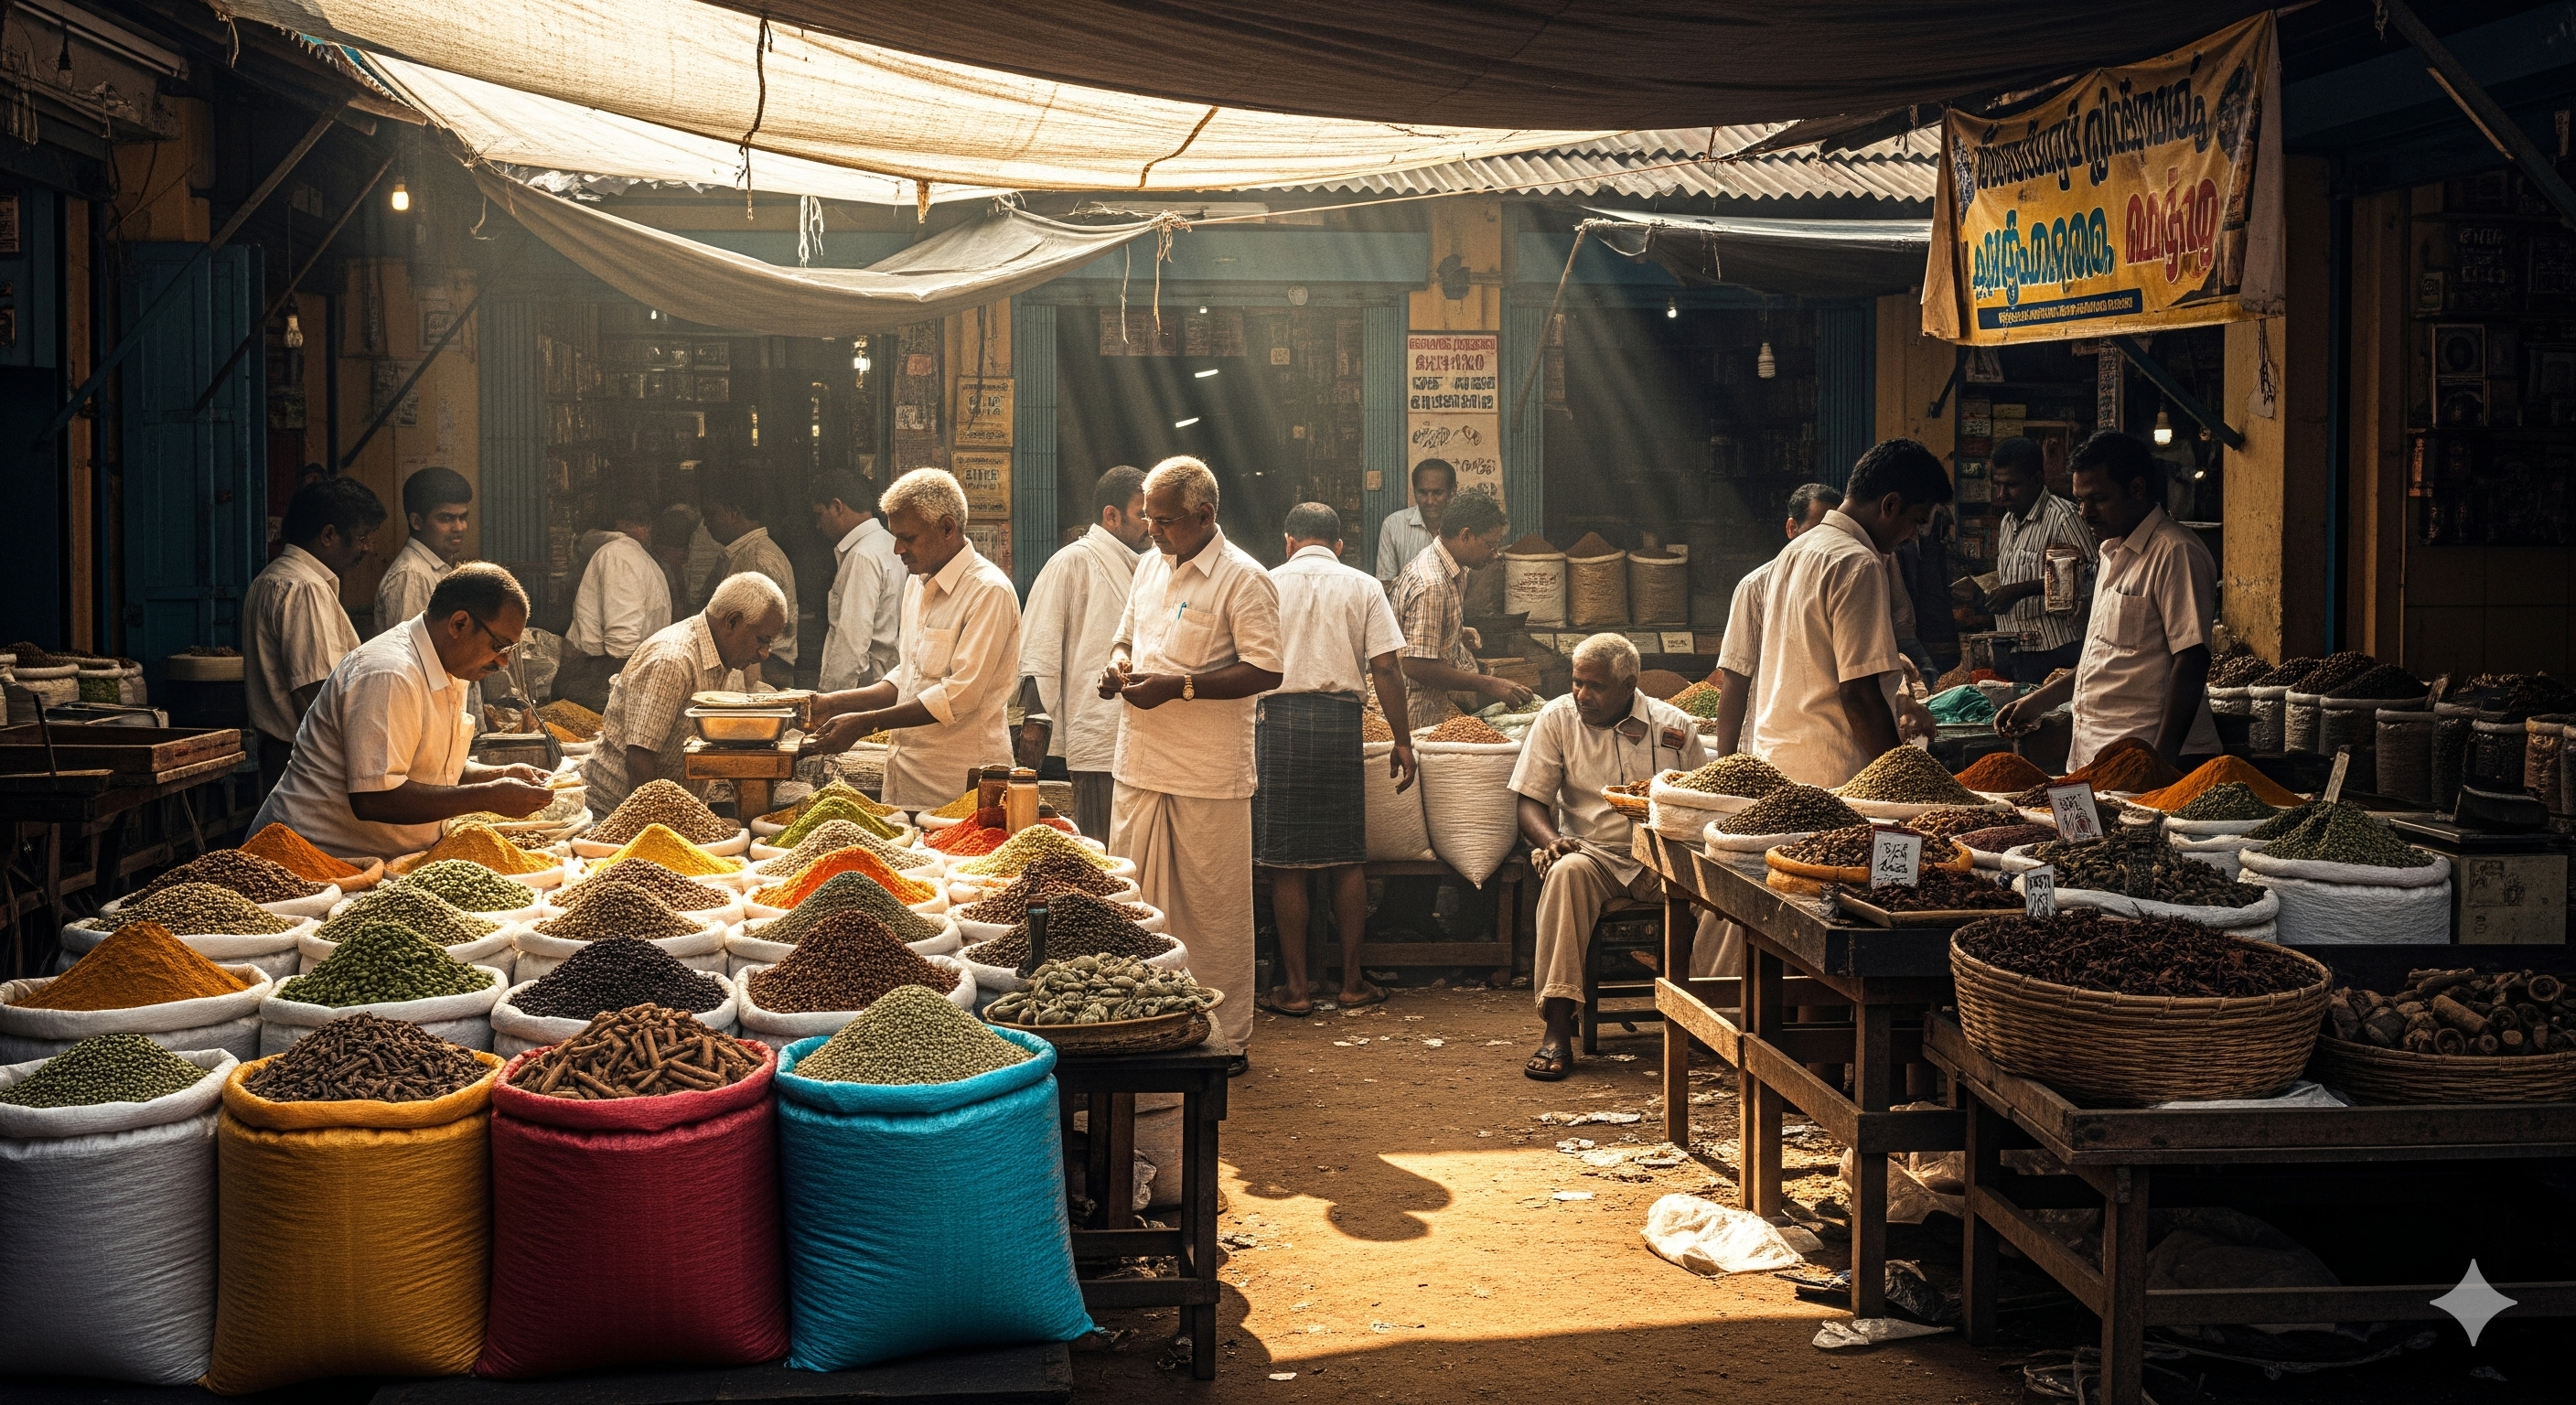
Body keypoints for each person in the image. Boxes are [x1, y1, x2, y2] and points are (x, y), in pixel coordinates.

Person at [1098, 456, 1283, 1074]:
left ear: (1205, 516)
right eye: (1148, 518)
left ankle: (1223, 1038)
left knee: (1212, 913)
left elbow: (1266, 670)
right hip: (1141, 761)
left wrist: (1179, 687)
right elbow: (1126, 637)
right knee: (1138, 905)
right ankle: (1144, 1025)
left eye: (1166, 521)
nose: (1152, 531)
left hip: (1208, 772)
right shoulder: (1150, 566)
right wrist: (1118, 667)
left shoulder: (1243, 578)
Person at [1513, 633, 1732, 1080]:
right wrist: (1549, 839)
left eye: (1595, 686)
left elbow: (1702, 797)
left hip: (1666, 854)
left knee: (1731, 895)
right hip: (1595, 854)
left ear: (1630, 683)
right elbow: (1530, 802)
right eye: (1577, 682)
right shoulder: (1557, 719)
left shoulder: (1673, 724)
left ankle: (1715, 1017)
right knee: (1565, 873)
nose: (1582, 694)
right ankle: (1557, 1028)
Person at [250, 563, 553, 858]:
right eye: (499, 646)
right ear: (459, 623)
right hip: (309, 858)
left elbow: (433, 770)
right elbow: (374, 798)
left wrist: (498, 775)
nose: (503, 663)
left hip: (379, 862)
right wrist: (488, 797)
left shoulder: (451, 668)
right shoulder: (389, 673)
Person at [1257, 502, 1415, 1017]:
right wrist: (1402, 739)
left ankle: (1297, 989)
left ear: (1288, 541)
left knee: (1286, 863)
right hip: (1340, 722)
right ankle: (1351, 983)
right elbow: (1387, 669)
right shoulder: (1364, 585)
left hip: (1277, 724)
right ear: (1339, 545)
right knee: (1346, 855)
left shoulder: (1265, 581)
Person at [1994, 431, 2219, 769]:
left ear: (2137, 489)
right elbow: (2101, 661)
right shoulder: (2110, 553)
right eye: (2079, 499)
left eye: (2098, 498)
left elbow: (2191, 661)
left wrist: (2160, 761)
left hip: (2144, 755)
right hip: (2095, 754)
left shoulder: (2175, 553)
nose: (2085, 512)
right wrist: (2035, 702)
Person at [801, 469, 1022, 810]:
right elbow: (910, 675)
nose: (897, 548)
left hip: (959, 787)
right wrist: (838, 702)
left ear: (947, 528)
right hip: (906, 781)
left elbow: (958, 696)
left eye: (908, 537)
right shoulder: (916, 584)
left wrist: (866, 722)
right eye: (895, 536)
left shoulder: (988, 591)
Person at [1748, 439, 1953, 788]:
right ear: (1890, 505)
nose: (1912, 537)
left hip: (1778, 765)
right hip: (1834, 773)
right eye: (1916, 522)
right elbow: (1859, 695)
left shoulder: (1794, 551)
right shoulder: (1858, 562)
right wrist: (1898, 782)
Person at [578, 574, 789, 812]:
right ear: (732, 622)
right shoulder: (672, 660)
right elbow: (640, 760)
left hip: (668, 806)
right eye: (762, 640)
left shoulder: (720, 656)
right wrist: (659, 830)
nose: (765, 653)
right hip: (615, 811)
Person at [1016, 465, 1148, 839]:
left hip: (1145, 736)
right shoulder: (1071, 561)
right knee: (1098, 845)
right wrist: (1035, 727)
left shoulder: (1155, 567)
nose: (1151, 526)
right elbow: (1038, 652)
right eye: (1142, 514)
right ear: (1111, 515)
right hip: (1095, 732)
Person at [244, 477, 383, 792]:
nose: (369, 548)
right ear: (329, 535)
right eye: (362, 537)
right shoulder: (303, 587)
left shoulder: (271, 578)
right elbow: (316, 693)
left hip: (285, 754)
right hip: (305, 761)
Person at [1707, 482, 1841, 756]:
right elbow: (1736, 677)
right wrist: (1725, 763)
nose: (1825, 541)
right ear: (1792, 529)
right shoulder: (1756, 586)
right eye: (1816, 530)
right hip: (1769, 749)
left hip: (1827, 746)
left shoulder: (1841, 582)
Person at [1392, 484, 1534, 726]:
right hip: (1417, 713)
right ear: (1465, 535)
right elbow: (1415, 664)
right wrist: (1490, 684)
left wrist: (1455, 633)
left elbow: (1420, 633)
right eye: (1490, 545)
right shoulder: (1432, 584)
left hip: (1436, 706)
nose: (1495, 554)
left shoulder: (1457, 569)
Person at [1982, 435, 2097, 684]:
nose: (2002, 494)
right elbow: (2014, 573)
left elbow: (2089, 576)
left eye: (2011, 485)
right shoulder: (2007, 521)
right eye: (1997, 485)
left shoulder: (2063, 518)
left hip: (2055, 649)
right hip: (2013, 650)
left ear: (2036, 480)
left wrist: (2021, 591)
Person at [559, 501, 672, 713]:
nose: (647, 530)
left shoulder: (622, 555)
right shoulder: (621, 554)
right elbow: (622, 640)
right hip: (602, 675)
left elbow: (623, 642)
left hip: (609, 675)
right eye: (642, 524)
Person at [810, 472, 905, 693]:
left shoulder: (863, 555)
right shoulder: (889, 544)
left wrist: (830, 701)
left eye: (820, 514)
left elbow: (851, 644)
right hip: (888, 685)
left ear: (837, 506)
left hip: (866, 691)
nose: (818, 525)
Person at [702, 480, 798, 686]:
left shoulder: (757, 556)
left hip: (763, 667)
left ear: (733, 513)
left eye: (710, 515)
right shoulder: (743, 553)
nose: (705, 524)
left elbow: (755, 627)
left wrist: (749, 691)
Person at [372, 467, 471, 636]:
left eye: (463, 517)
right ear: (417, 522)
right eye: (446, 518)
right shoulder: (412, 575)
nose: (459, 527)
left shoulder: (434, 566)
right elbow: (407, 653)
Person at [1374, 457, 1455, 584]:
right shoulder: (1394, 525)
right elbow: (1386, 583)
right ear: (1414, 491)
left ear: (1453, 491)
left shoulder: (1464, 526)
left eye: (1437, 493)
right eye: (1422, 493)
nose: (1429, 501)